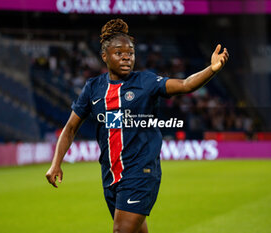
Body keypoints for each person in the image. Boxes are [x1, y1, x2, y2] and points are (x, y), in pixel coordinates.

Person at [46, 18, 229, 233]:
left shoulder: (146, 82)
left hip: (141, 172)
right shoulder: (93, 88)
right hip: (111, 175)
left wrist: (212, 69)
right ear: (104, 56)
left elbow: (185, 85)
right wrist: (56, 163)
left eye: (130, 53)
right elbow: (70, 128)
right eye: (119, 53)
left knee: (121, 231)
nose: (126, 57)